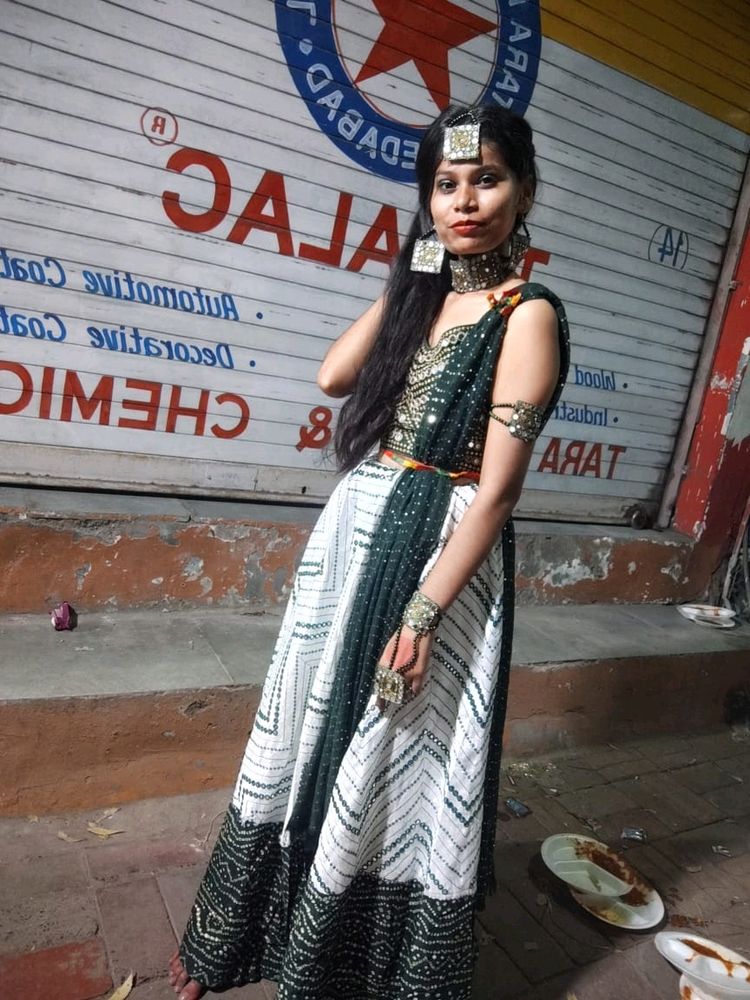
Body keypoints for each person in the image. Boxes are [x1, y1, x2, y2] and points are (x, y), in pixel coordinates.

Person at [168, 102, 569, 1000]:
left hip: (438, 546)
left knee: (390, 743)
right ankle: (247, 936)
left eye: (489, 179)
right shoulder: (432, 292)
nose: (466, 202)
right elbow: (334, 375)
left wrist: (425, 611)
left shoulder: (528, 314)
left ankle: (349, 966)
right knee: (313, 726)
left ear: (527, 188)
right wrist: (411, 282)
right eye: (446, 185)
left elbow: (497, 491)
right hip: (358, 530)